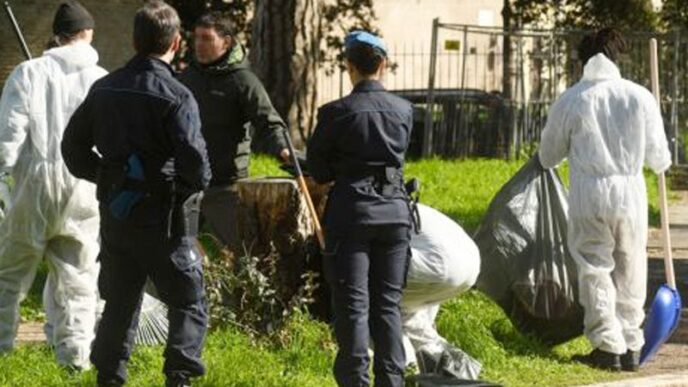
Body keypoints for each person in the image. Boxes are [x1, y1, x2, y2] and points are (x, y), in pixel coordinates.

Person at [61, 1, 211, 386]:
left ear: (133, 39)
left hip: (118, 215)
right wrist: (177, 191)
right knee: (189, 300)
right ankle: (179, 377)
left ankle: (109, 377)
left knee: (120, 302)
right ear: (177, 43)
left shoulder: (104, 88)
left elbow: (72, 149)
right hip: (165, 220)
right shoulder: (177, 95)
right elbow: (197, 167)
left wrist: (108, 178)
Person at [538, 28, 671, 372]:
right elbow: (659, 159)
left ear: (584, 60)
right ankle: (630, 342)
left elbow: (549, 155)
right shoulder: (639, 96)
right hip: (630, 193)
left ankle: (606, 344)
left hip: (589, 193)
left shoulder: (572, 99)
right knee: (631, 266)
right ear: (618, 57)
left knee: (594, 267)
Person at [0, 0, 105, 370]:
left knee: (9, 274)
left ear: (57, 36)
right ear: (88, 34)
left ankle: (2, 352)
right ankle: (75, 361)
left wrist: (1, 176)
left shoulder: (28, 73)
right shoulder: (102, 78)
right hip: (85, 186)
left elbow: (8, 137)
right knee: (78, 280)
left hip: (35, 184)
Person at [308, 31, 414, 387]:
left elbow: (320, 172)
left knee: (353, 306)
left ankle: (355, 381)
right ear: (382, 65)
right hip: (395, 214)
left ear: (348, 66)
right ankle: (392, 381)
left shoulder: (334, 113)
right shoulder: (404, 110)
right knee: (388, 305)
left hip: (352, 213)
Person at [179, 11, 289, 251]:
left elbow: (268, 122)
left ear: (226, 42)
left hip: (225, 185)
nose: (199, 45)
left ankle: (237, 291)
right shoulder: (187, 77)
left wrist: (282, 148)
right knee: (178, 251)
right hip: (187, 184)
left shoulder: (243, 81)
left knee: (243, 256)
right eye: (196, 38)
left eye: (207, 39)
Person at [401, 204, 482, 379]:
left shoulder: (346, 206)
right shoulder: (390, 194)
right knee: (412, 320)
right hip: (470, 262)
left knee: (376, 306)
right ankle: (458, 374)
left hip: (436, 264)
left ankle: (408, 373)